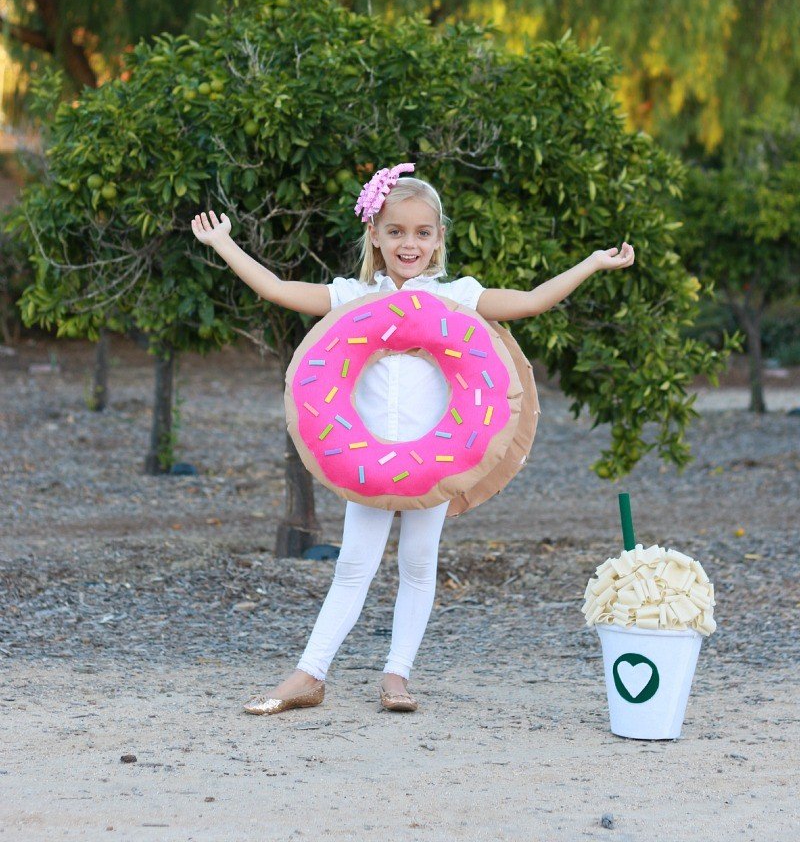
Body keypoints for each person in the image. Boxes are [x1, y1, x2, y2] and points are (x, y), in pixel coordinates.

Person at [190, 163, 635, 714]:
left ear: (439, 239)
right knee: (354, 565)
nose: (409, 244)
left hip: (439, 457)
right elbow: (277, 290)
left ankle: (397, 676)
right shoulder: (352, 296)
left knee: (420, 566)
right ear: (374, 235)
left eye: (423, 233)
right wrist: (223, 243)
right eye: (396, 231)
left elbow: (530, 301)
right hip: (367, 461)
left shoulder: (459, 299)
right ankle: (310, 673)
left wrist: (591, 263)